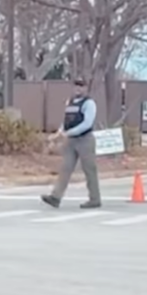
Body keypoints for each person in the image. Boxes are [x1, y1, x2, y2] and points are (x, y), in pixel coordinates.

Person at [42, 78, 102, 209]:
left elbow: (87, 123)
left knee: (89, 170)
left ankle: (95, 199)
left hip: (85, 139)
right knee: (65, 168)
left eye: (81, 86)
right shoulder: (70, 102)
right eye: (76, 86)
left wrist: (67, 133)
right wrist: (58, 134)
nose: (78, 88)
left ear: (86, 88)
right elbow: (66, 121)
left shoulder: (89, 103)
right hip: (71, 141)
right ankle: (55, 197)